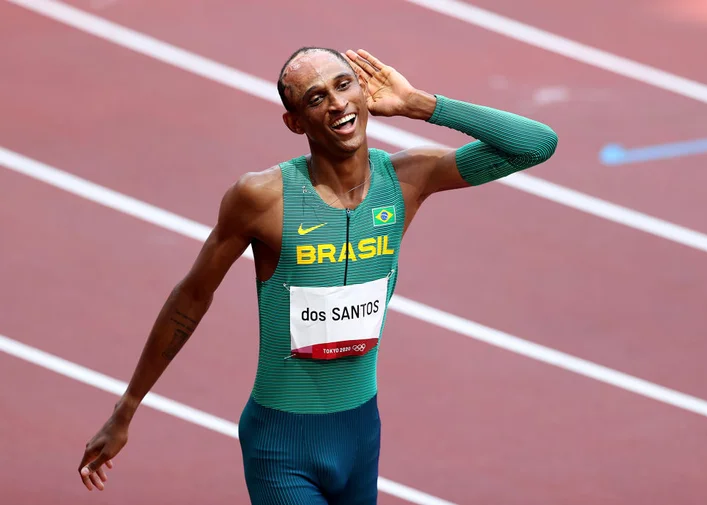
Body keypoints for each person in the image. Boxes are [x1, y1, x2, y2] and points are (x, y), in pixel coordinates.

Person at [77, 46, 558, 504]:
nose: (336, 104)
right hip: (282, 446)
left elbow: (536, 144)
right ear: (295, 121)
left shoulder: (411, 177)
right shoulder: (262, 198)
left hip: (360, 434)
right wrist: (127, 406)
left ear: (364, 93)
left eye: (343, 85)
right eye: (315, 98)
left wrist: (419, 104)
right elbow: (191, 297)